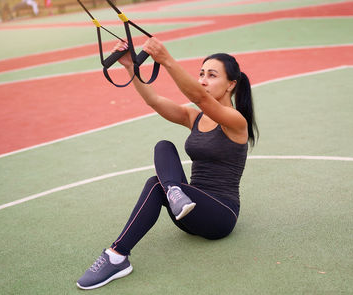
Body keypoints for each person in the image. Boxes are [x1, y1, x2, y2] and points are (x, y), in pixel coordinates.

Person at [76, 37, 258, 290]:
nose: (203, 80)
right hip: (187, 210)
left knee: (155, 183)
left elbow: (201, 98)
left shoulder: (236, 121)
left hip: (220, 216)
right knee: (164, 146)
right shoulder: (194, 117)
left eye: (212, 75)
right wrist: (130, 67)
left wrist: (167, 60)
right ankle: (174, 193)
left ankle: (117, 255)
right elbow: (154, 101)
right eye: (201, 73)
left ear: (231, 85)